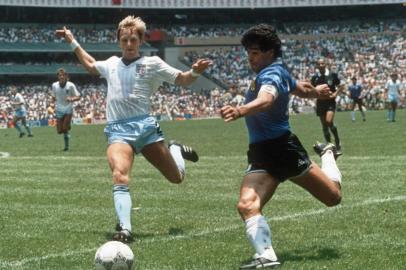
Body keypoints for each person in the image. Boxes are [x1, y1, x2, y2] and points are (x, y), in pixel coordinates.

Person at [55, 15, 211, 242]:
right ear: (119, 41)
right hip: (118, 130)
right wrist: (71, 39)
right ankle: (125, 229)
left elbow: (182, 79)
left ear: (141, 41)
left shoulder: (153, 63)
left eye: (133, 40)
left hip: (145, 129)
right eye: (125, 40)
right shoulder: (110, 64)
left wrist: (195, 71)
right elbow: (89, 64)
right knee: (120, 175)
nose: (129, 44)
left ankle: (176, 150)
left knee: (176, 178)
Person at [220, 24, 342, 269]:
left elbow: (267, 99)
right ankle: (267, 256)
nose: (249, 58)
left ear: (269, 52)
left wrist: (240, 109)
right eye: (248, 52)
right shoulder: (278, 70)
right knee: (247, 205)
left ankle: (328, 154)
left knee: (333, 197)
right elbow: (300, 89)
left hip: (284, 150)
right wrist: (317, 92)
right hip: (261, 153)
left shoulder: (272, 75)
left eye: (254, 53)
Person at [311, 58, 342, 153]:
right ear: (317, 66)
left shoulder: (332, 75)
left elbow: (340, 85)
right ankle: (329, 145)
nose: (321, 65)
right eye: (319, 64)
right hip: (320, 103)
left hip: (330, 102)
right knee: (324, 126)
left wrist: (335, 94)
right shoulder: (315, 78)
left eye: (322, 63)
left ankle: (336, 139)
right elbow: (312, 89)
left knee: (329, 121)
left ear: (326, 64)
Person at [51, 68, 81, 151]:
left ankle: (66, 147)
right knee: (60, 131)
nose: (61, 77)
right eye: (59, 75)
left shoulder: (71, 85)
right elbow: (53, 96)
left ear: (66, 76)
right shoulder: (54, 85)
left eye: (63, 75)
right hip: (59, 109)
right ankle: (68, 126)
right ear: (58, 77)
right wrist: (51, 103)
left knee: (64, 129)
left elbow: (78, 96)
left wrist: (71, 99)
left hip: (68, 109)